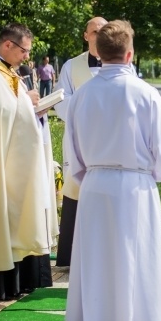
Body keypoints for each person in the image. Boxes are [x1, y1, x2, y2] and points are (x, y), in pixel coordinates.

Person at [63, 20, 161, 321]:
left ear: (99, 53)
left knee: (99, 260)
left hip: (96, 185)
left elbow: (73, 150)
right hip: (134, 183)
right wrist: (153, 174)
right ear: (130, 53)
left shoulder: (83, 94)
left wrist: (91, 176)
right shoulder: (145, 93)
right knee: (137, 260)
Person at [0, 23, 58, 300]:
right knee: (3, 213)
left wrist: (28, 103)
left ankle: (19, 275)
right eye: (24, 51)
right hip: (0, 163)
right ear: (7, 45)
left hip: (14, 159)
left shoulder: (6, 71)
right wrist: (27, 103)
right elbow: (0, 114)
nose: (27, 57)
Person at [53, 16, 107, 267]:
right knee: (76, 191)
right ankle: (70, 256)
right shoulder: (71, 66)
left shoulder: (118, 64)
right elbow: (61, 100)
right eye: (94, 31)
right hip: (80, 140)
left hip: (108, 143)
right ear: (86, 36)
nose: (98, 35)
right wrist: (86, 112)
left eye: (103, 31)